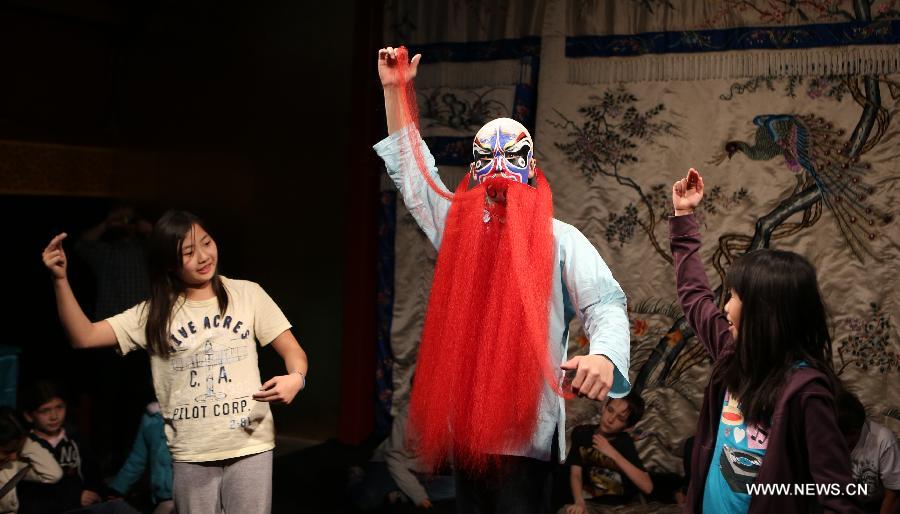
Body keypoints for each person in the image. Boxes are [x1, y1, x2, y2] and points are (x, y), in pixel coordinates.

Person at [375, 47, 631, 514]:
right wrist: (396, 91)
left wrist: (604, 355)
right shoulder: (457, 227)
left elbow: (605, 303)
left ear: (531, 166)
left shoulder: (560, 240)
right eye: (486, 157)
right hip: (469, 431)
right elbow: (415, 178)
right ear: (473, 168)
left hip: (527, 437)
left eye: (511, 156)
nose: (499, 169)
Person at [41, 210, 309, 514]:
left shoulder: (247, 294)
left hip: (250, 442)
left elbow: (293, 351)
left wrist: (296, 378)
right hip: (192, 451)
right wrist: (60, 279)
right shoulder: (155, 313)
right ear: (169, 263)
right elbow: (84, 336)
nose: (204, 257)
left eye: (206, 243)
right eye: (189, 252)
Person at [669, 168, 860, 513]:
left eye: (734, 296)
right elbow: (695, 296)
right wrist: (684, 217)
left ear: (764, 312)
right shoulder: (733, 354)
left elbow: (838, 498)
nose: (724, 307)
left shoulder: (806, 393)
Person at [17, 380, 138, 514]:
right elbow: (27, 498)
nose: (54, 416)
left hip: (85, 506)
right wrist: (73, 499)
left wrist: (104, 495)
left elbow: (92, 474)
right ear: (29, 416)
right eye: (45, 411)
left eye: (59, 407)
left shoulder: (74, 438)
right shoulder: (26, 448)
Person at [349, 402, 455, 510]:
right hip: (388, 464)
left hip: (418, 472)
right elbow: (394, 459)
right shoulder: (410, 413)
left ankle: (401, 493)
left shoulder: (452, 415)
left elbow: (453, 455)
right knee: (368, 499)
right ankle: (356, 477)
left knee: (457, 488)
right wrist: (417, 494)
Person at [560, 392, 651, 513]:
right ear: (604, 408)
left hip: (623, 506)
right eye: (610, 410)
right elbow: (576, 473)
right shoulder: (582, 433)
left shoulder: (624, 442)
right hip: (591, 504)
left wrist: (613, 453)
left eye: (620, 418)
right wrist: (579, 501)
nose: (611, 419)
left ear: (628, 427)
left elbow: (647, 487)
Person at [836, 388, 900, 514]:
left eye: (852, 435)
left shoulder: (883, 440)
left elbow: (893, 495)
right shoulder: (823, 437)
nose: (845, 442)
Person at [108, 402, 174, 514]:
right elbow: (137, 458)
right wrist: (118, 489)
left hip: (189, 495)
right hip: (161, 496)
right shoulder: (150, 417)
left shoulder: (192, 412)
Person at [0, 407, 62, 514]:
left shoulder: (12, 464)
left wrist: (23, 440)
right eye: (7, 451)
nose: (14, 457)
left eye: (17, 450)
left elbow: (52, 474)